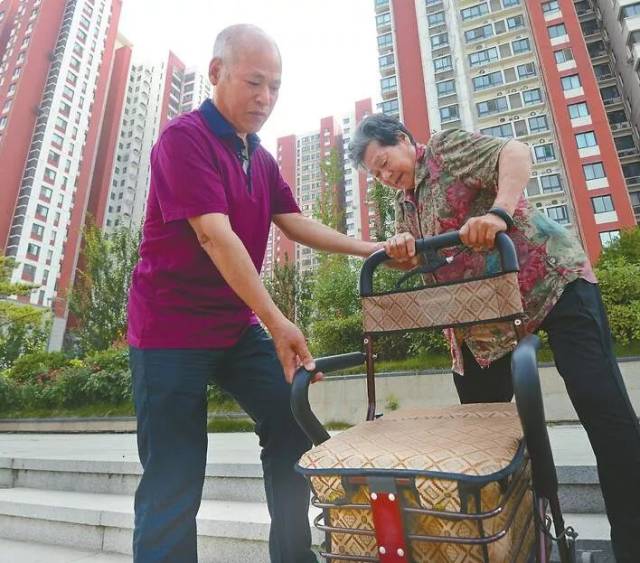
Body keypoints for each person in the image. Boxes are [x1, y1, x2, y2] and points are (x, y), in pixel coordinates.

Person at [127, 24, 380, 563]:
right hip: (169, 330)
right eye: (254, 82)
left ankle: (293, 556)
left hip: (231, 327)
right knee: (175, 469)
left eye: (276, 87)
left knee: (290, 423)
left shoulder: (260, 158)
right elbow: (214, 236)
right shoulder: (184, 138)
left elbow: (292, 221)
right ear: (217, 73)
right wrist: (276, 321)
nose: (266, 98)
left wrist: (370, 248)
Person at [349, 113, 640, 563]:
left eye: (385, 161)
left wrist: (498, 213)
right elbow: (433, 263)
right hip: (487, 324)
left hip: (549, 283)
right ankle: (519, 540)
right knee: (483, 440)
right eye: (377, 174)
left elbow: (515, 152)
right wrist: (403, 252)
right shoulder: (407, 204)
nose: (386, 176)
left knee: (606, 415)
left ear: (405, 140)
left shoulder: (445, 150)